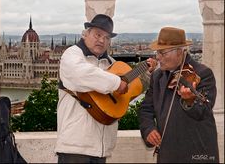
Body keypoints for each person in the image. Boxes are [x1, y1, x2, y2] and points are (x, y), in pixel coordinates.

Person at [55, 14, 129, 163]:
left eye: (107, 38)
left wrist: (146, 72)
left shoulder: (111, 63)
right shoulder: (72, 54)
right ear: (86, 34)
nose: (102, 40)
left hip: (102, 149)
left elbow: (125, 91)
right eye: (98, 34)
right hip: (75, 148)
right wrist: (116, 83)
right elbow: (81, 74)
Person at [138, 27, 219, 163]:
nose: (158, 57)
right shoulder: (157, 76)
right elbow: (146, 109)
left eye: (163, 53)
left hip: (197, 154)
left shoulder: (203, 74)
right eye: (157, 52)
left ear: (180, 52)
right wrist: (149, 129)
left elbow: (204, 111)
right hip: (167, 154)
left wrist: (190, 101)